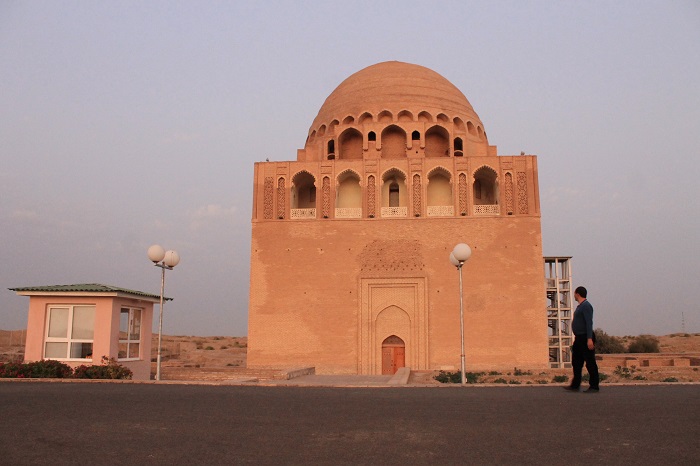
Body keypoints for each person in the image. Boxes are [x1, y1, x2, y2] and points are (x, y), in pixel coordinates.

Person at [565, 286, 600, 393]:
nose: (574, 295)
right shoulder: (580, 307)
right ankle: (575, 385)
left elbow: (589, 323)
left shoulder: (586, 306)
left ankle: (594, 386)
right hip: (579, 338)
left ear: (578, 294)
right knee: (576, 362)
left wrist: (589, 339)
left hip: (585, 337)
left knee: (590, 362)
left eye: (575, 293)